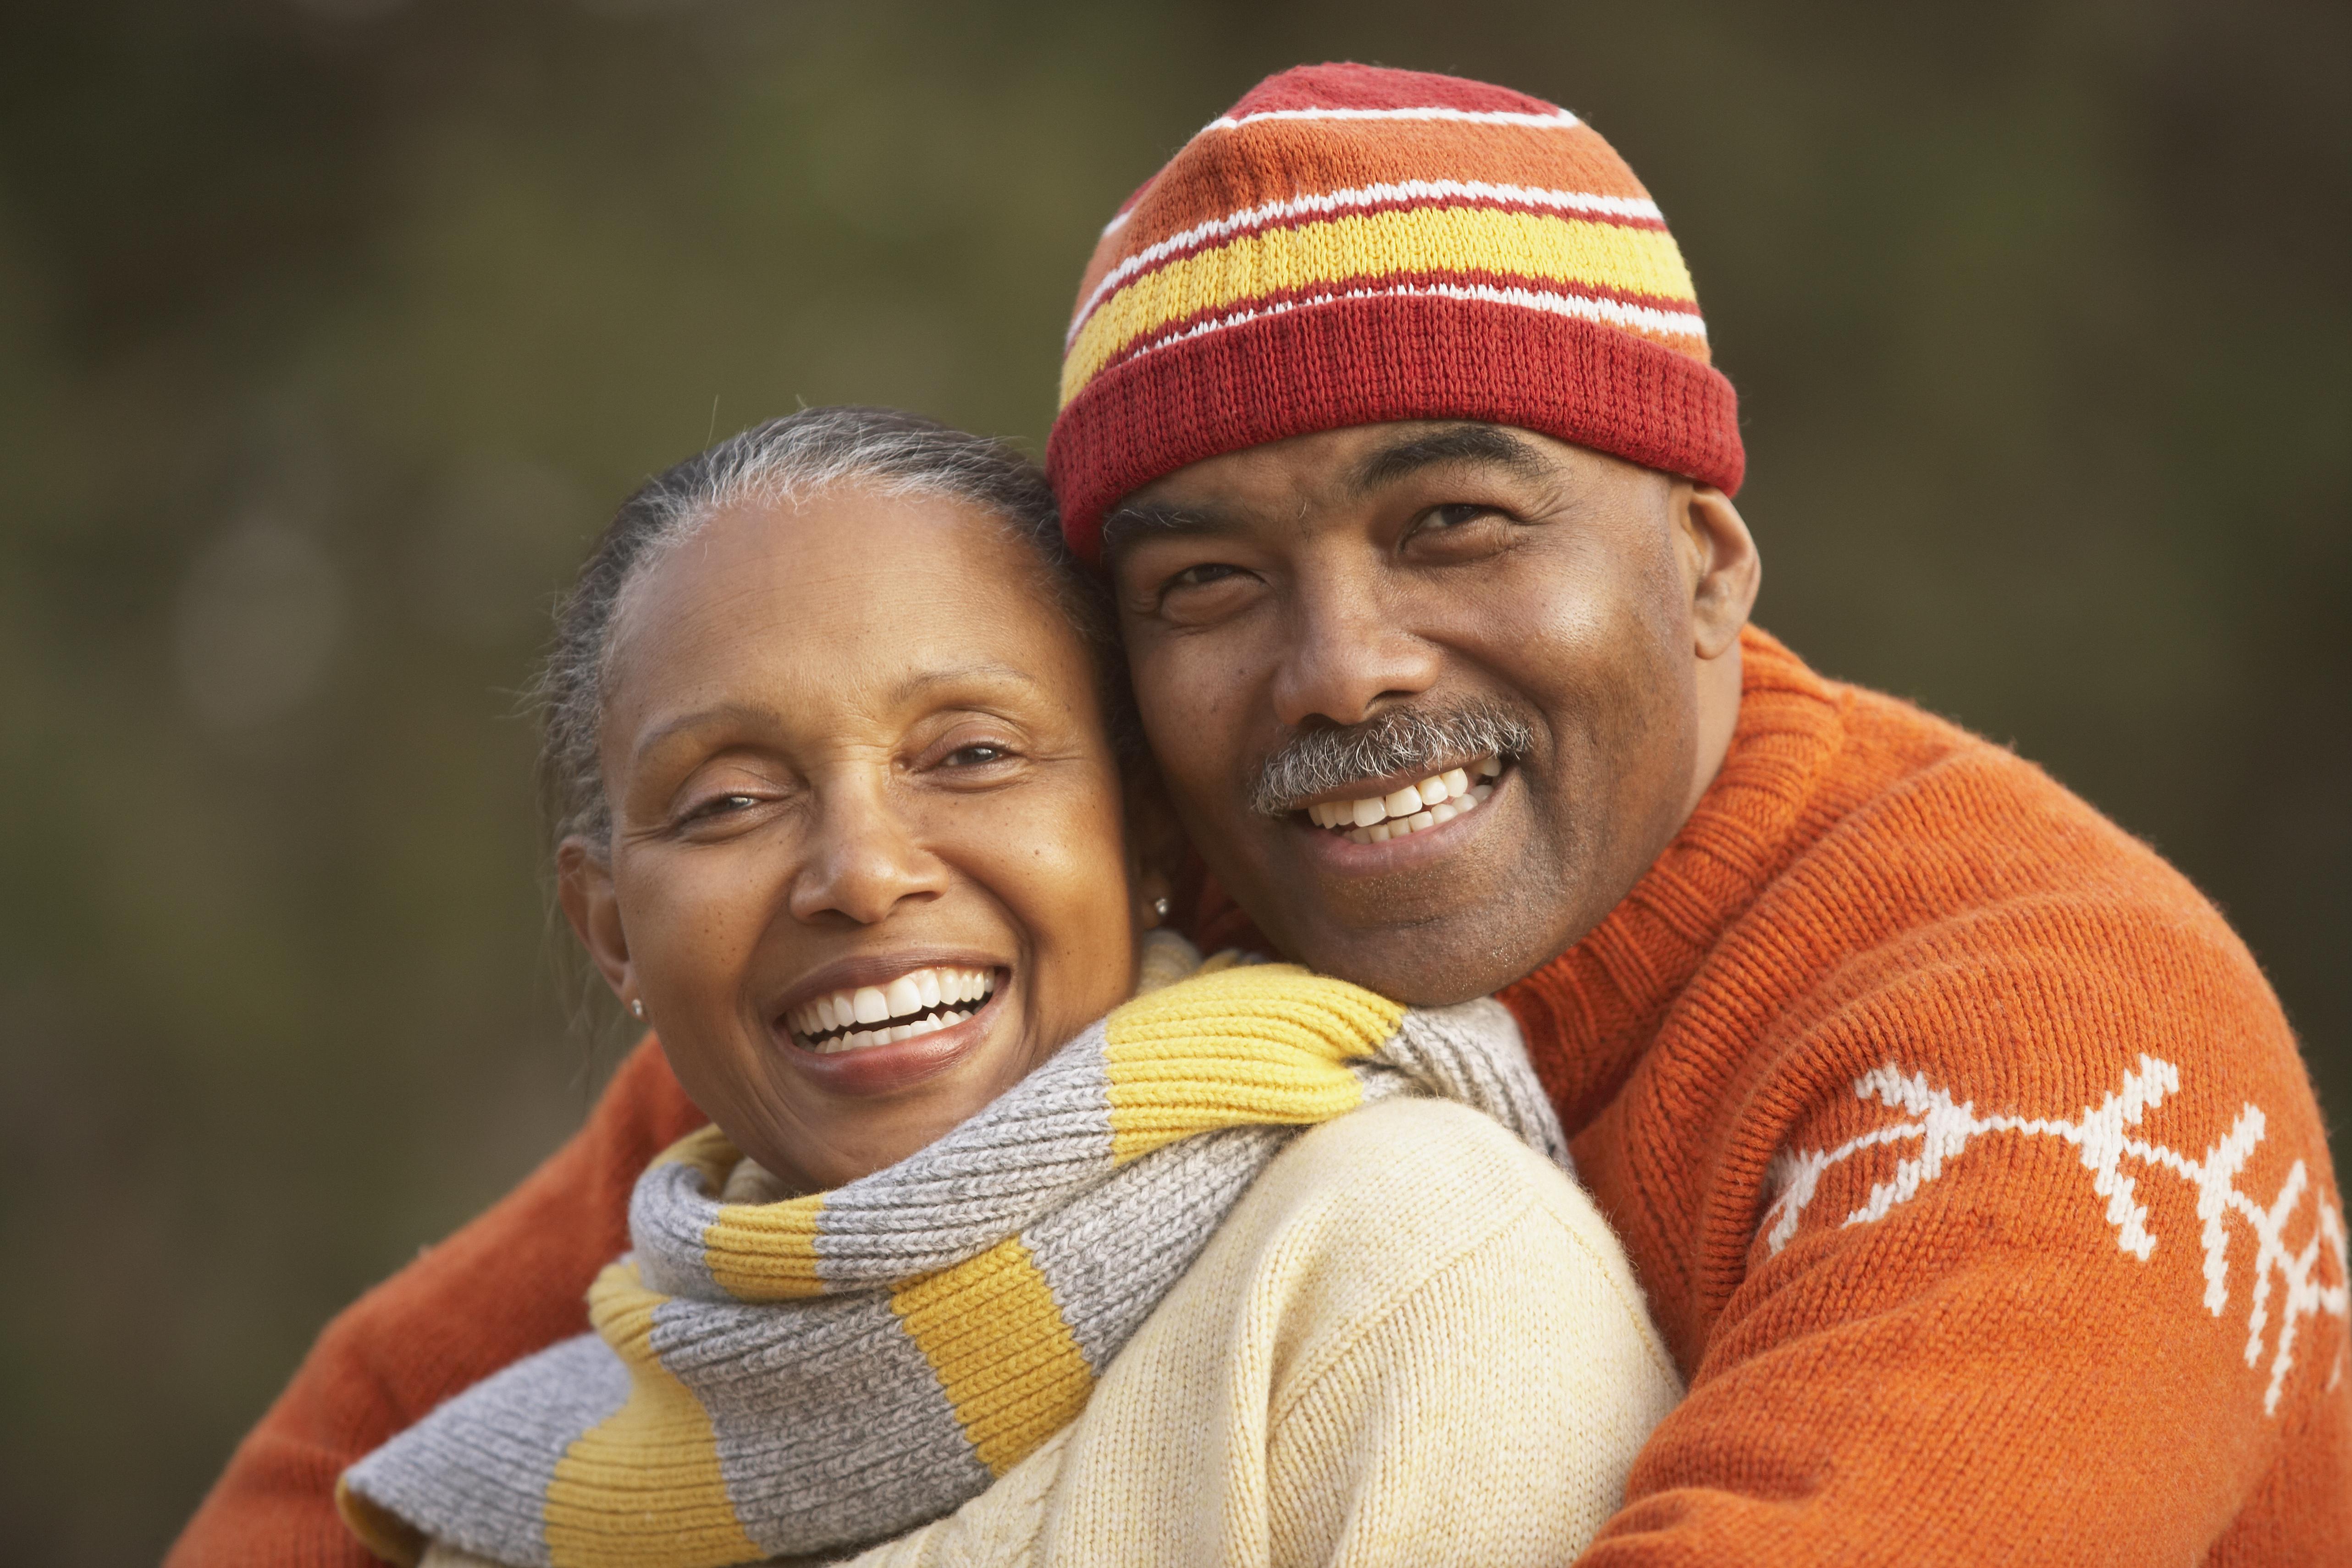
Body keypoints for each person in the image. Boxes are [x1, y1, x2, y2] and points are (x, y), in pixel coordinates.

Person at [171, 62, 2351, 1567]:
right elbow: (358, 1443)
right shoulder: (1107, 935)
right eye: (1205, 584)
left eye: (1453, 521)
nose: (1339, 667)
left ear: (1703, 563)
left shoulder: (2049, 1048)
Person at [325, 406, 1677, 1568]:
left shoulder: (1401, 1268)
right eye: (729, 800)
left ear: (1147, 832)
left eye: (970, 755)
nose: (861, 873)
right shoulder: (520, 1496)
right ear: (612, 930)